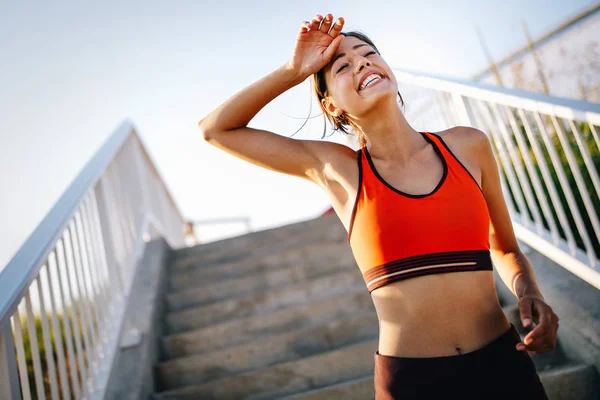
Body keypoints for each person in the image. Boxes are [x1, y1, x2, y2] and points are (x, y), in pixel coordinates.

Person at [198, 13, 559, 399]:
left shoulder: (468, 145)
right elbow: (216, 129)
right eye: (343, 66)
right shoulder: (339, 170)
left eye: (368, 53)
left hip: (502, 365)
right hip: (412, 384)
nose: (362, 63)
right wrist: (293, 71)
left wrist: (529, 292)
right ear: (331, 105)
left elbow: (504, 248)